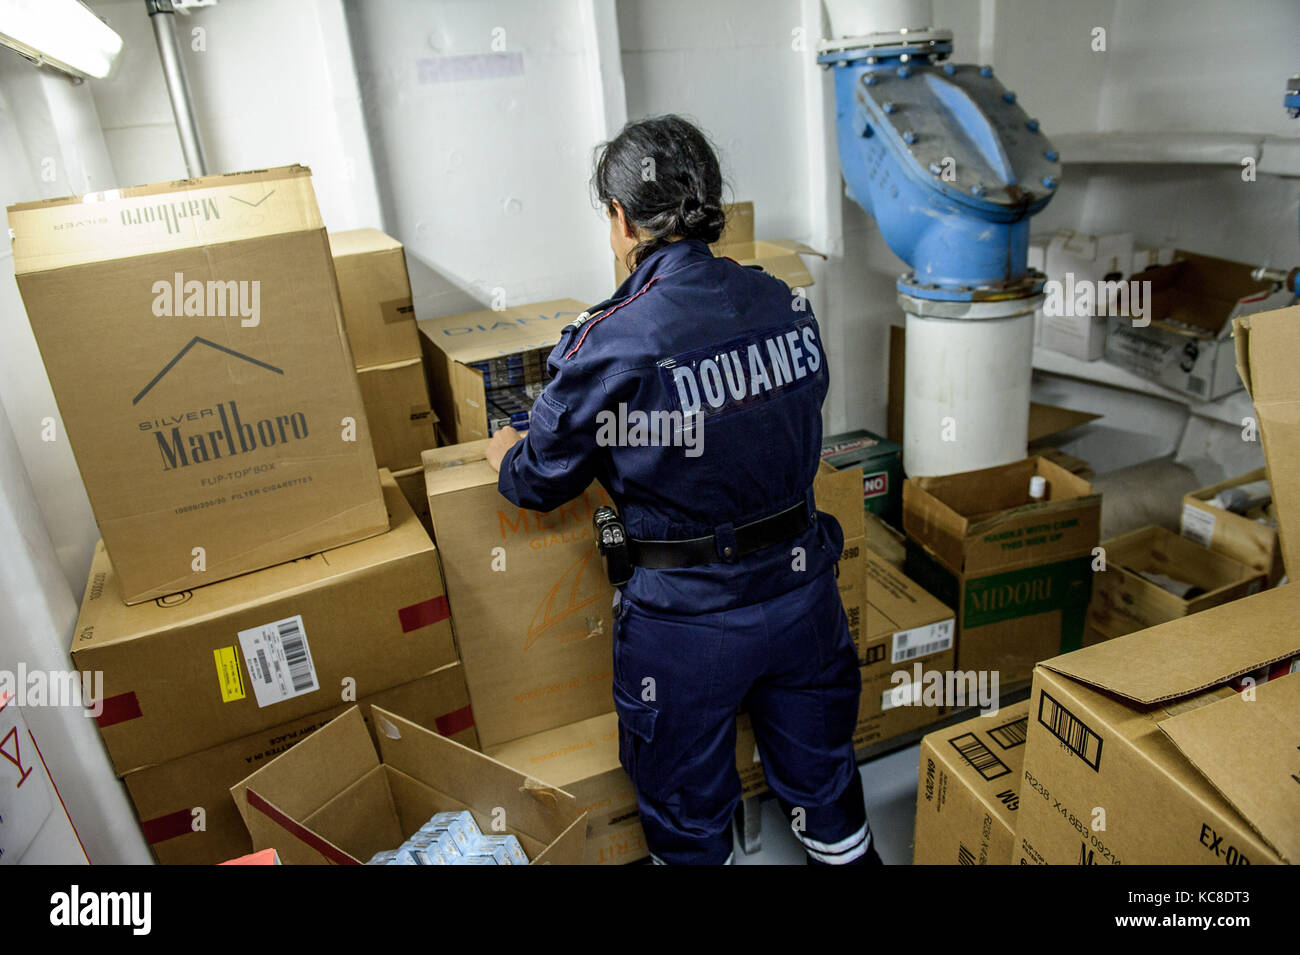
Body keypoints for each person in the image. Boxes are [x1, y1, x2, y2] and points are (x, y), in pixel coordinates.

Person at [485, 115, 878, 866]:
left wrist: (509, 451)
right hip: (804, 597)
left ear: (621, 219)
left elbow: (541, 478)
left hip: (688, 624)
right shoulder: (783, 301)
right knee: (828, 798)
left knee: (690, 828)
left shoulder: (614, 337)